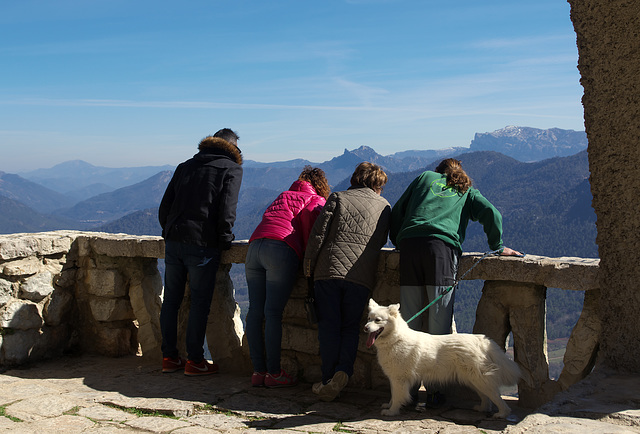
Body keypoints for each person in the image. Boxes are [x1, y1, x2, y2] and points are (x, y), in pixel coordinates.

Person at [389, 157, 521, 406]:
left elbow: (398, 211)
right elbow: (492, 213)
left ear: (439, 171)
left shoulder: (424, 178)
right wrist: (497, 246)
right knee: (439, 326)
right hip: (441, 251)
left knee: (409, 322)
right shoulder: (466, 188)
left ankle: (408, 395)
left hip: (410, 247)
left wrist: (399, 240)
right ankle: (436, 394)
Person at [158, 128, 243, 376]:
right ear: (233, 148)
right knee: (199, 303)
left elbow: (165, 206)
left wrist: (169, 231)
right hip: (203, 245)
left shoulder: (185, 166)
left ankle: (169, 357)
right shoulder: (231, 169)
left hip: (174, 240)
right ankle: (195, 360)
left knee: (171, 301)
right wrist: (225, 239)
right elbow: (228, 209)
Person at [304, 162, 391, 402]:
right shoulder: (385, 207)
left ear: (355, 178)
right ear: (378, 185)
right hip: (360, 278)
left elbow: (318, 234)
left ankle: (327, 380)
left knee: (329, 327)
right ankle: (344, 371)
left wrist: (308, 268)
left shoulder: (338, 197)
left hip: (328, 272)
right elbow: (381, 239)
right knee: (351, 328)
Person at [245, 166, 330, 388]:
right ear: (320, 185)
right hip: (280, 250)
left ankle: (257, 371)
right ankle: (273, 373)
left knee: (255, 312)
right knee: (272, 314)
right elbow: (313, 235)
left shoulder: (283, 195)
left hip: (254, 247)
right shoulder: (315, 200)